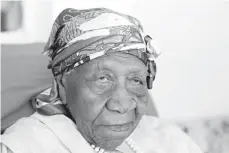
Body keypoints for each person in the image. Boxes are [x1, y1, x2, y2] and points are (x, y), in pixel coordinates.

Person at [1, 8, 203, 153]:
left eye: (136, 80)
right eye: (103, 79)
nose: (123, 105)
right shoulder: (24, 145)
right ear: (61, 86)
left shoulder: (169, 139)